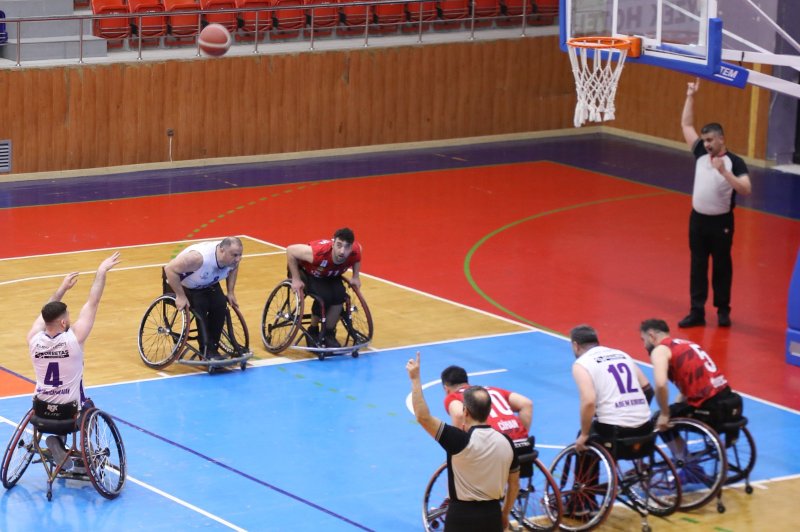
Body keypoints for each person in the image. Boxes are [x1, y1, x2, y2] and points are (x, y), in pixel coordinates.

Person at [27, 252, 121, 470]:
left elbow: (45, 313)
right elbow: (93, 302)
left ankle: (56, 442)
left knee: (56, 401)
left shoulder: (33, 339)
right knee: (89, 407)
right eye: (68, 316)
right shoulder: (74, 339)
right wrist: (101, 272)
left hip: (40, 409)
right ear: (63, 322)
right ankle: (85, 456)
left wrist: (62, 289)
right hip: (70, 412)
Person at [407, 352, 519, 532]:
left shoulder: (458, 440)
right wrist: (504, 514)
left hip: (461, 517)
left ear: (465, 411)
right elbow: (514, 485)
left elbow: (422, 417)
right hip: (492, 516)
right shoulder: (507, 442)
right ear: (489, 410)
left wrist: (415, 379)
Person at [679, 78, 752, 328]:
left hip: (721, 223)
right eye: (705, 140)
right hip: (697, 221)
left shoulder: (735, 162)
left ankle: (722, 310)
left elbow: (746, 189)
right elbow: (686, 124)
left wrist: (724, 173)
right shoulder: (700, 153)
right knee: (697, 266)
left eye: (711, 140)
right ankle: (696, 311)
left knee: (722, 266)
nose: (707, 144)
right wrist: (691, 95)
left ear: (721, 139)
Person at [639, 318, 742, 432]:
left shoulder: (660, 350)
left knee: (658, 420)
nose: (644, 346)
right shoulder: (687, 344)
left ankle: (678, 445)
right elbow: (696, 378)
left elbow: (661, 384)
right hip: (729, 400)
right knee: (678, 407)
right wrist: (680, 400)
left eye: (644, 340)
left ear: (651, 336)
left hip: (710, 407)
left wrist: (664, 413)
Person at [569, 325, 654, 453]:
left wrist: (584, 434)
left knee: (584, 439)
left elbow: (589, 401)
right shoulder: (622, 355)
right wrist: (636, 412)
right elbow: (648, 390)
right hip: (646, 426)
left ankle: (586, 466)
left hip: (616, 431)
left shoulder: (582, 364)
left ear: (575, 345)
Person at [441, 365, 535, 477]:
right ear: (467, 381)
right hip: (523, 446)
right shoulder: (491, 390)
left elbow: (459, 414)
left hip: (494, 448)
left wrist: (458, 449)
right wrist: (520, 434)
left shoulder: (454, 397)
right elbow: (527, 404)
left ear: (446, 389)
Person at [163, 237, 243, 359]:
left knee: (221, 305)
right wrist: (180, 296)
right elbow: (169, 269)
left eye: (240, 255)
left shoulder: (231, 259)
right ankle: (206, 350)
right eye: (235, 255)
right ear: (222, 250)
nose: (238, 259)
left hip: (208, 283)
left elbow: (234, 268)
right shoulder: (197, 258)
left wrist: (230, 292)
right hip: (184, 286)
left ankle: (213, 348)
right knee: (201, 305)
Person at [286, 227, 362, 348]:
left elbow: (358, 254)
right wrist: (296, 279)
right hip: (305, 271)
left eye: (347, 247)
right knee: (324, 296)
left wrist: (355, 276)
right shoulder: (318, 253)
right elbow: (290, 250)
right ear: (333, 243)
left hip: (328, 274)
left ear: (351, 247)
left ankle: (328, 333)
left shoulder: (355, 250)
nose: (342, 251)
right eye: (339, 245)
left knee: (340, 296)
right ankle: (313, 329)